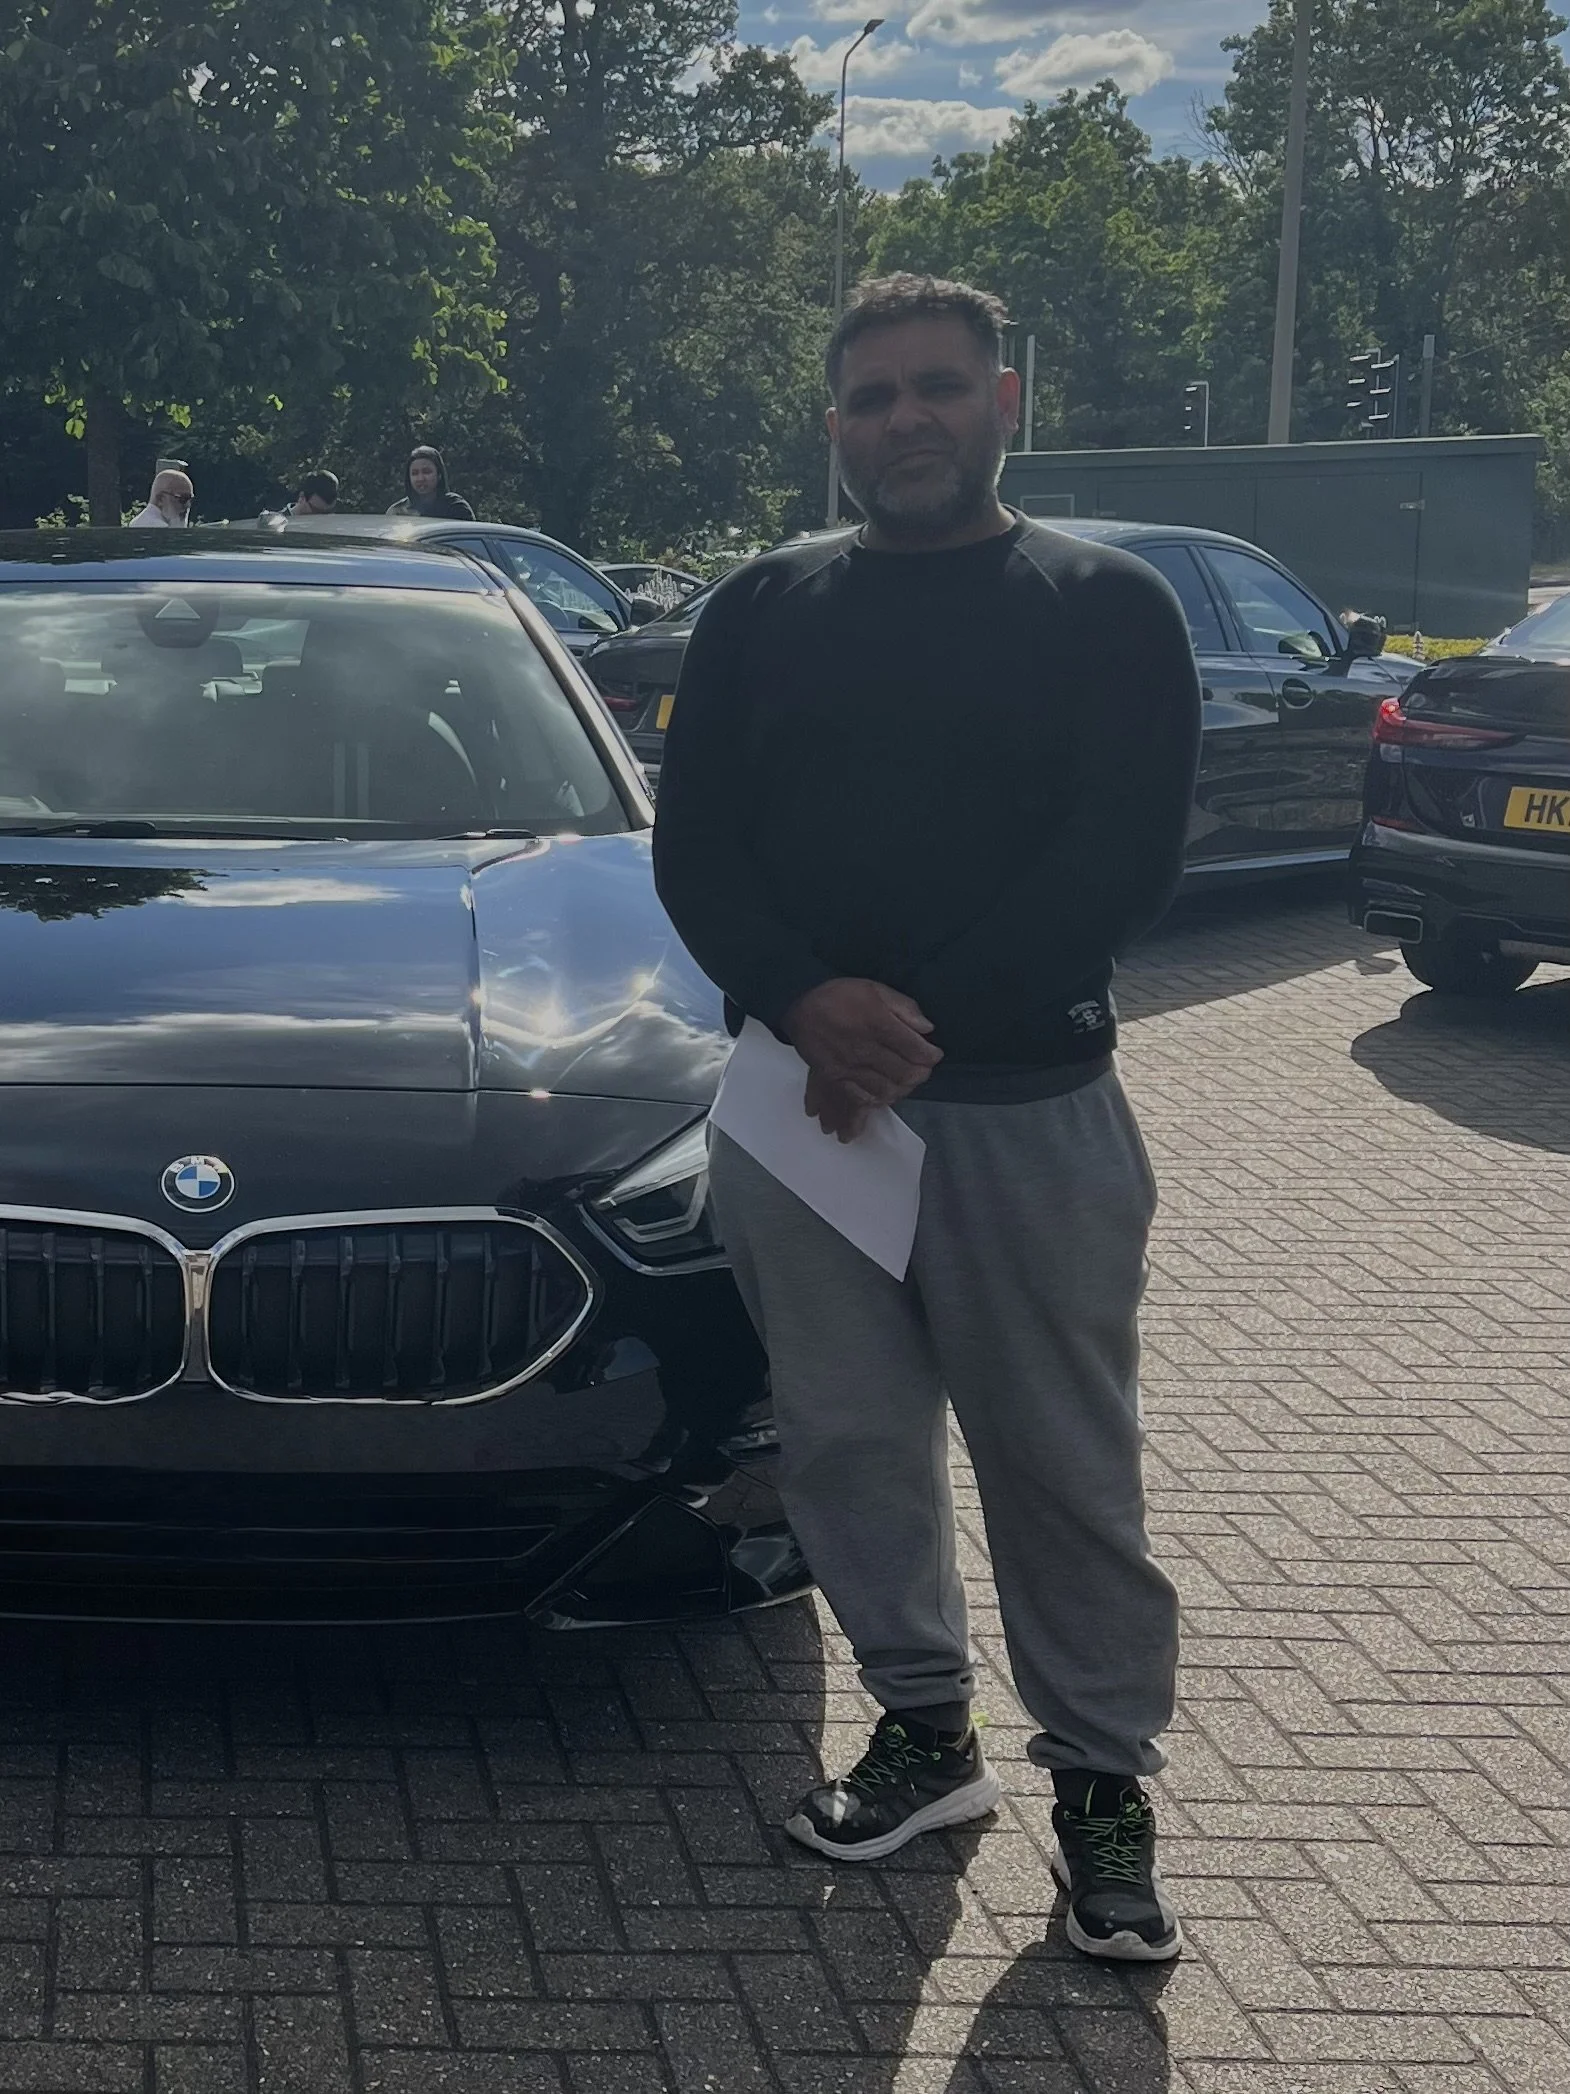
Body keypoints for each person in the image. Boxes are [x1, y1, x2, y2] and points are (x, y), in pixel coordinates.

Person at [653, 274, 1202, 1963]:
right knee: (845, 1441)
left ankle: (1101, 1785)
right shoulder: (761, 607)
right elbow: (695, 846)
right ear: (835, 425)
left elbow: (1119, 860)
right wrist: (803, 1000)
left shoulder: (1104, 606)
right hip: (794, 1109)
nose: (908, 419)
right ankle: (923, 1731)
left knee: (1061, 1463)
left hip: (1025, 1108)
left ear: (1003, 401)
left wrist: (894, 1027)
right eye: (875, 395)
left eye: (939, 387)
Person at [387, 446, 475, 521]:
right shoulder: (397, 512)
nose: (420, 479)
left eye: (426, 472)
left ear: (439, 474)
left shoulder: (457, 508)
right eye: (414, 473)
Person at [128, 470, 194, 527]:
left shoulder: (138, 522)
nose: (188, 505)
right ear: (160, 499)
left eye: (190, 499)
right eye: (183, 499)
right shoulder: (160, 529)